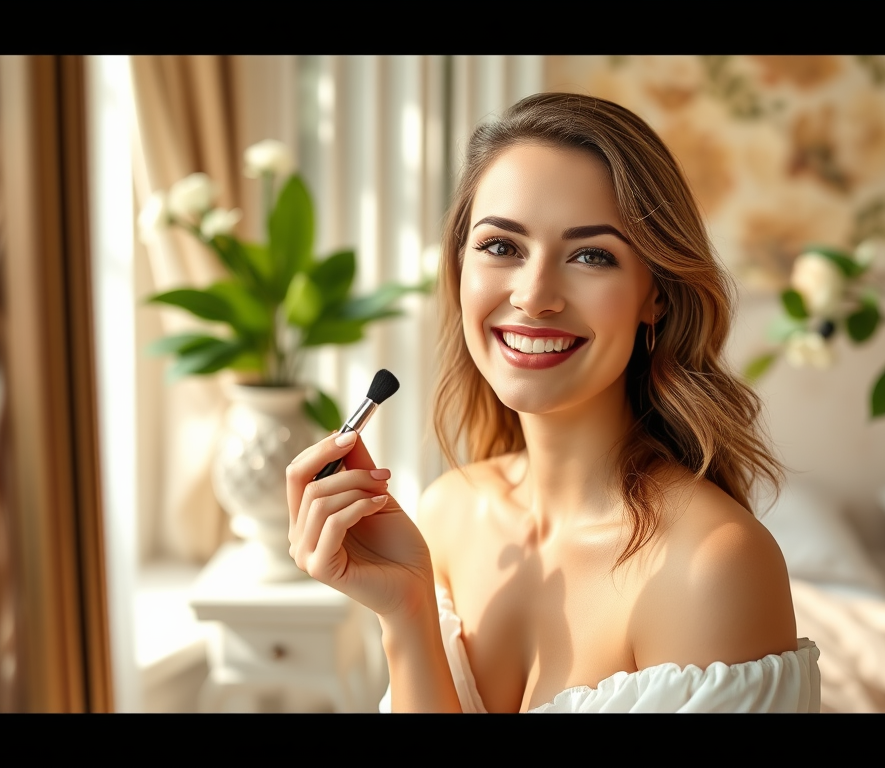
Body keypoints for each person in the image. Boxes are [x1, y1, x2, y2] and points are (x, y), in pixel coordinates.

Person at [285, 92, 821, 713]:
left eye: (591, 255)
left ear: (658, 297)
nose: (535, 296)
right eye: (501, 246)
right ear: (460, 268)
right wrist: (405, 613)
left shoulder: (711, 568)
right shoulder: (447, 514)